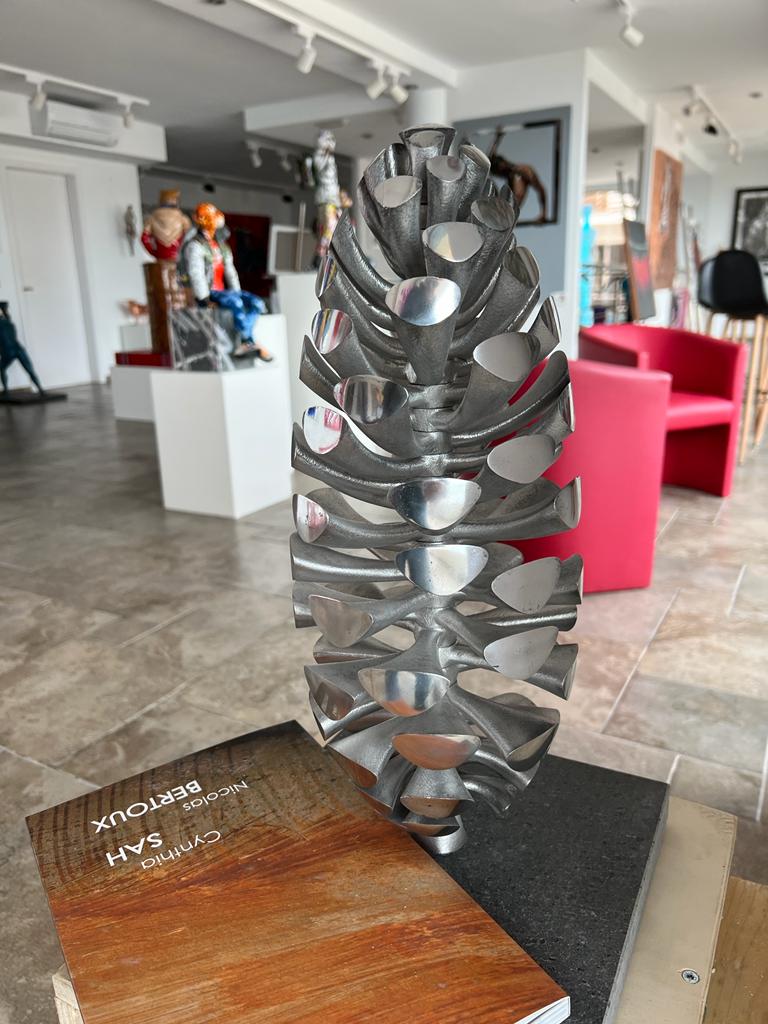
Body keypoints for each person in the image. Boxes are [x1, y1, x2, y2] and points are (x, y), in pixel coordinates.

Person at [183, 203, 272, 361]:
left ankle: (246, 339)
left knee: (258, 303)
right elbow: (196, 274)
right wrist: (204, 298)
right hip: (211, 292)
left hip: (226, 292)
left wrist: (236, 291)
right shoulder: (195, 246)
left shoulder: (222, 247)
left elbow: (231, 272)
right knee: (235, 303)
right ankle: (247, 341)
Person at [487, 126, 548, 224]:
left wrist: (544, 213)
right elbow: (490, 157)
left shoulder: (524, 171)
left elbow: (541, 190)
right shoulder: (508, 175)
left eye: (499, 173)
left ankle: (504, 217)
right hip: (506, 208)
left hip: (511, 206)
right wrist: (497, 137)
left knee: (515, 192)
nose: (500, 176)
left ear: (502, 166)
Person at [312, 129, 343, 266]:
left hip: (332, 199)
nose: (331, 143)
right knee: (328, 228)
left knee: (331, 228)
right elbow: (322, 171)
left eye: (332, 140)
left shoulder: (328, 157)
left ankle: (323, 258)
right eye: (328, 140)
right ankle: (320, 258)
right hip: (326, 198)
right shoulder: (319, 156)